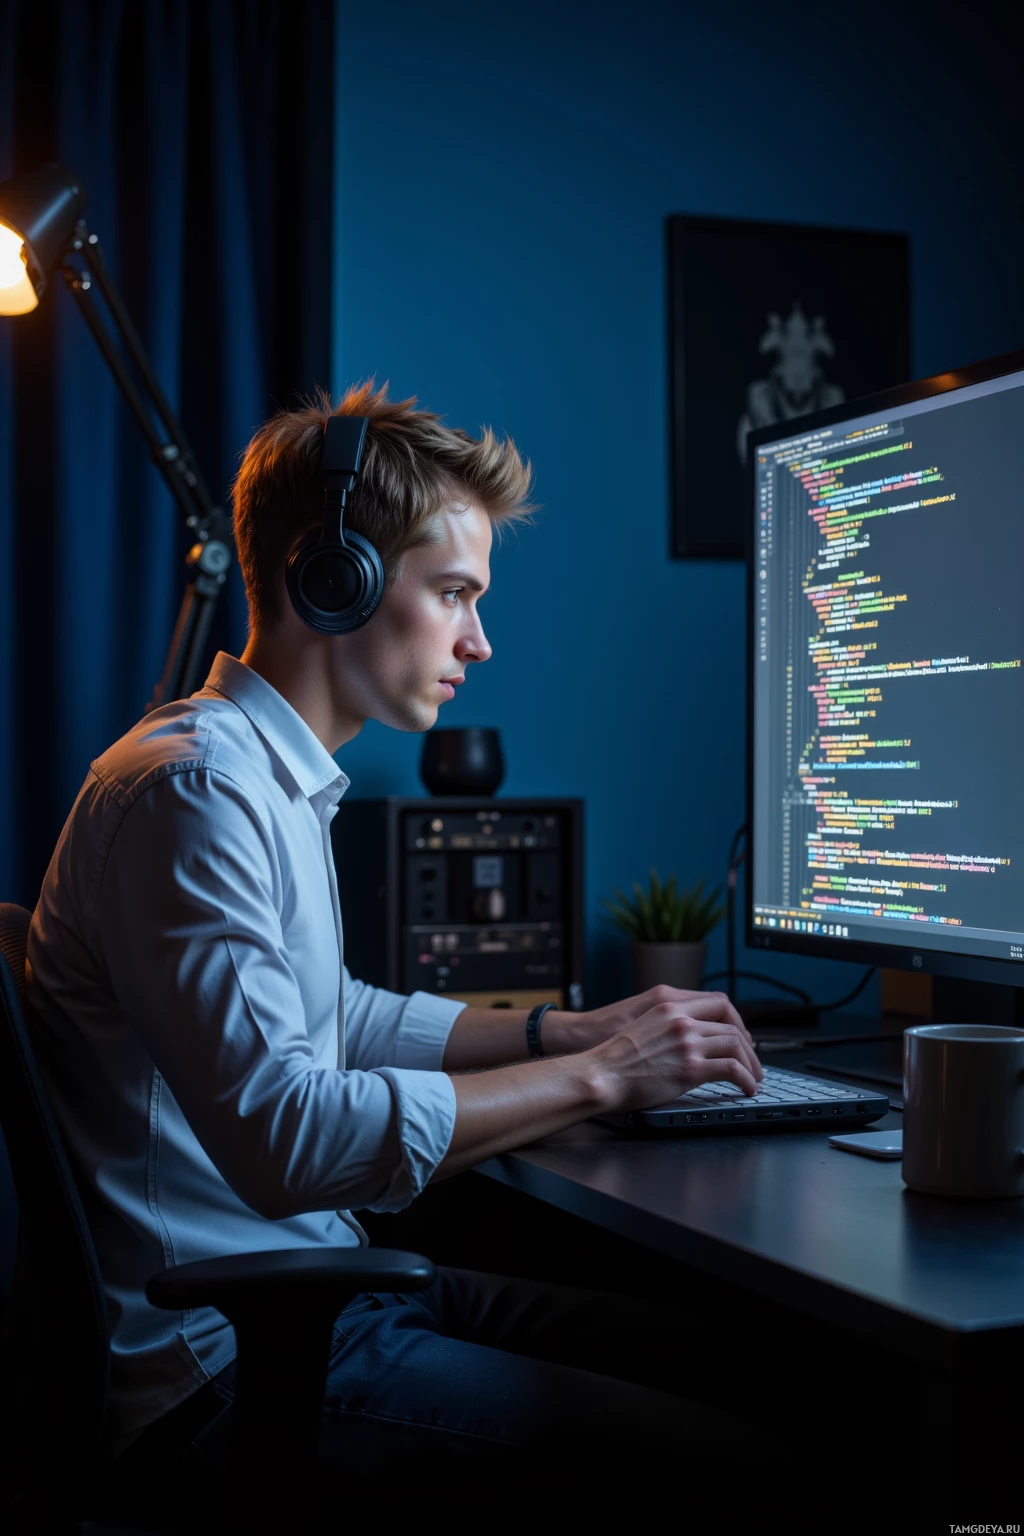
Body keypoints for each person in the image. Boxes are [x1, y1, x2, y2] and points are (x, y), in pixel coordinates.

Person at [27, 382, 787, 1518]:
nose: (479, 640)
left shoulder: (257, 778)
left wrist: (559, 1029)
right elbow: (287, 1138)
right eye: (452, 595)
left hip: (310, 1298)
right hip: (230, 1363)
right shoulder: (194, 792)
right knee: (749, 1466)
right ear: (327, 579)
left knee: (744, 1357)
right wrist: (600, 1077)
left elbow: (337, 1013)